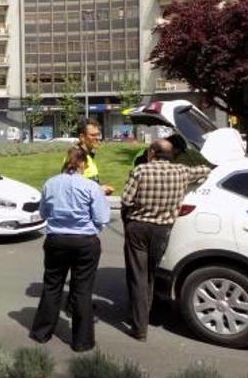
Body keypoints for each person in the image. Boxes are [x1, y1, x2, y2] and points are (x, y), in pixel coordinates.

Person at [120, 139, 212, 341]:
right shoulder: (182, 172)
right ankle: (145, 314)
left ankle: (139, 325)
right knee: (151, 274)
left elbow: (126, 200)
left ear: (152, 152)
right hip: (162, 230)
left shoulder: (140, 171)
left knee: (137, 276)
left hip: (138, 227)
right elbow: (206, 170)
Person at [30, 146, 111, 352]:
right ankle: (81, 341)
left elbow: (44, 213)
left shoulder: (50, 183)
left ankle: (41, 333)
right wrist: (91, 228)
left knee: (52, 285)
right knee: (82, 290)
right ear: (83, 164)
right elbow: (102, 218)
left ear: (66, 162)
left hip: (57, 240)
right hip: (84, 241)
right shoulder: (91, 186)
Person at [65, 118, 114, 195]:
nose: (98, 138)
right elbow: (71, 187)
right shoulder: (77, 156)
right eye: (93, 135)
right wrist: (100, 189)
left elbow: (87, 183)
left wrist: (100, 188)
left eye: (98, 134)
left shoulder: (88, 154)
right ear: (82, 137)